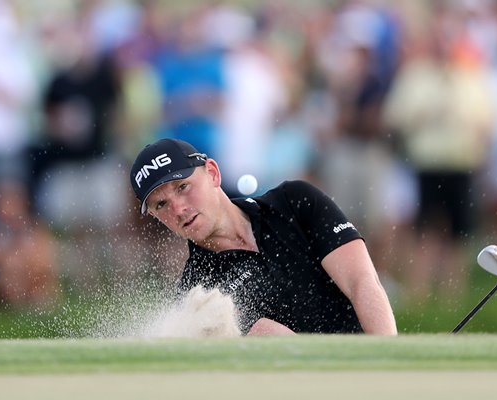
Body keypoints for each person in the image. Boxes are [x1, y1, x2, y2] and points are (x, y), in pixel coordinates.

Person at [130, 138, 397, 336]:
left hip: (368, 360)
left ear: (212, 173)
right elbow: (280, 347)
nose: (177, 209)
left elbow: (361, 282)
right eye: (161, 205)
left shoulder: (295, 201)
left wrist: (386, 363)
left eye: (183, 187)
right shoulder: (199, 294)